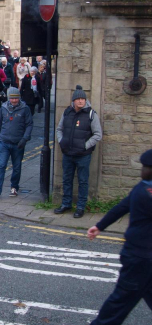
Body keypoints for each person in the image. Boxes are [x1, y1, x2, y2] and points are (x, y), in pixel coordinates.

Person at [87, 149, 152, 325]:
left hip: (141, 258)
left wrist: (99, 225)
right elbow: (123, 207)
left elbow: (121, 207)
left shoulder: (141, 188)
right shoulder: (146, 194)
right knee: (118, 303)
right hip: (140, 260)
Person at [54, 85, 103, 218]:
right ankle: (66, 204)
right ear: (74, 100)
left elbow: (98, 134)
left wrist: (85, 146)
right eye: (78, 99)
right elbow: (59, 129)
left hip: (83, 155)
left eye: (83, 98)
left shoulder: (91, 114)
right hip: (68, 153)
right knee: (67, 179)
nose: (81, 101)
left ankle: (81, 207)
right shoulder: (67, 112)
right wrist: (62, 142)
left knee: (83, 181)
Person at [0, 87, 33, 199]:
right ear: (9, 98)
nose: (14, 101)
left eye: (16, 98)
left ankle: (14, 187)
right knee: (1, 166)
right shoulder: (3, 108)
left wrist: (25, 139)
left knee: (17, 167)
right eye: (12, 98)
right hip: (4, 142)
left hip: (18, 143)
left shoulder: (25, 109)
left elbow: (29, 124)